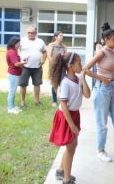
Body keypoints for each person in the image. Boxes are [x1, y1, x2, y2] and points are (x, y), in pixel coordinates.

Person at [84, 24, 114, 162]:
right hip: (102, 89)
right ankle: (101, 150)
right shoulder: (101, 52)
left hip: (113, 88)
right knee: (102, 124)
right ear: (106, 39)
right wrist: (101, 78)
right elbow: (85, 69)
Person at [49, 52, 91, 184]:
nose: (81, 65)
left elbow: (87, 95)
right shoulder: (65, 82)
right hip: (67, 116)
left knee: (72, 146)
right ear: (70, 66)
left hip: (74, 115)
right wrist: (72, 125)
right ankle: (66, 179)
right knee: (71, 148)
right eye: (79, 63)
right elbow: (63, 105)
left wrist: (83, 77)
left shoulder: (78, 78)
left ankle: (61, 170)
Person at [19, 27, 47, 108]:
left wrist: (43, 61)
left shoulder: (40, 41)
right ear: (27, 33)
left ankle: (37, 101)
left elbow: (45, 52)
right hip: (24, 67)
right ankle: (22, 102)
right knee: (23, 85)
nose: (30, 34)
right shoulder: (22, 40)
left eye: (32, 33)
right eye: (29, 33)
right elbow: (16, 50)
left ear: (35, 33)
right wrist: (19, 60)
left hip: (37, 67)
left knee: (37, 85)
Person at [6, 37, 27, 114]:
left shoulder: (14, 51)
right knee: (12, 91)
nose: (19, 45)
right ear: (14, 43)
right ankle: (10, 108)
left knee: (13, 91)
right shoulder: (11, 52)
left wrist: (22, 61)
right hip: (13, 74)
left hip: (15, 74)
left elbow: (17, 62)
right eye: (18, 43)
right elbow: (16, 64)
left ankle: (12, 106)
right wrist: (24, 63)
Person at [47, 31, 67, 107]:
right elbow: (49, 56)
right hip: (54, 68)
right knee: (54, 84)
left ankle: (63, 100)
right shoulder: (51, 45)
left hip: (62, 68)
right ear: (56, 37)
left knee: (63, 83)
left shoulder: (64, 46)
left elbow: (65, 57)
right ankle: (54, 101)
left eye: (62, 35)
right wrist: (54, 65)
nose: (62, 37)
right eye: (60, 36)